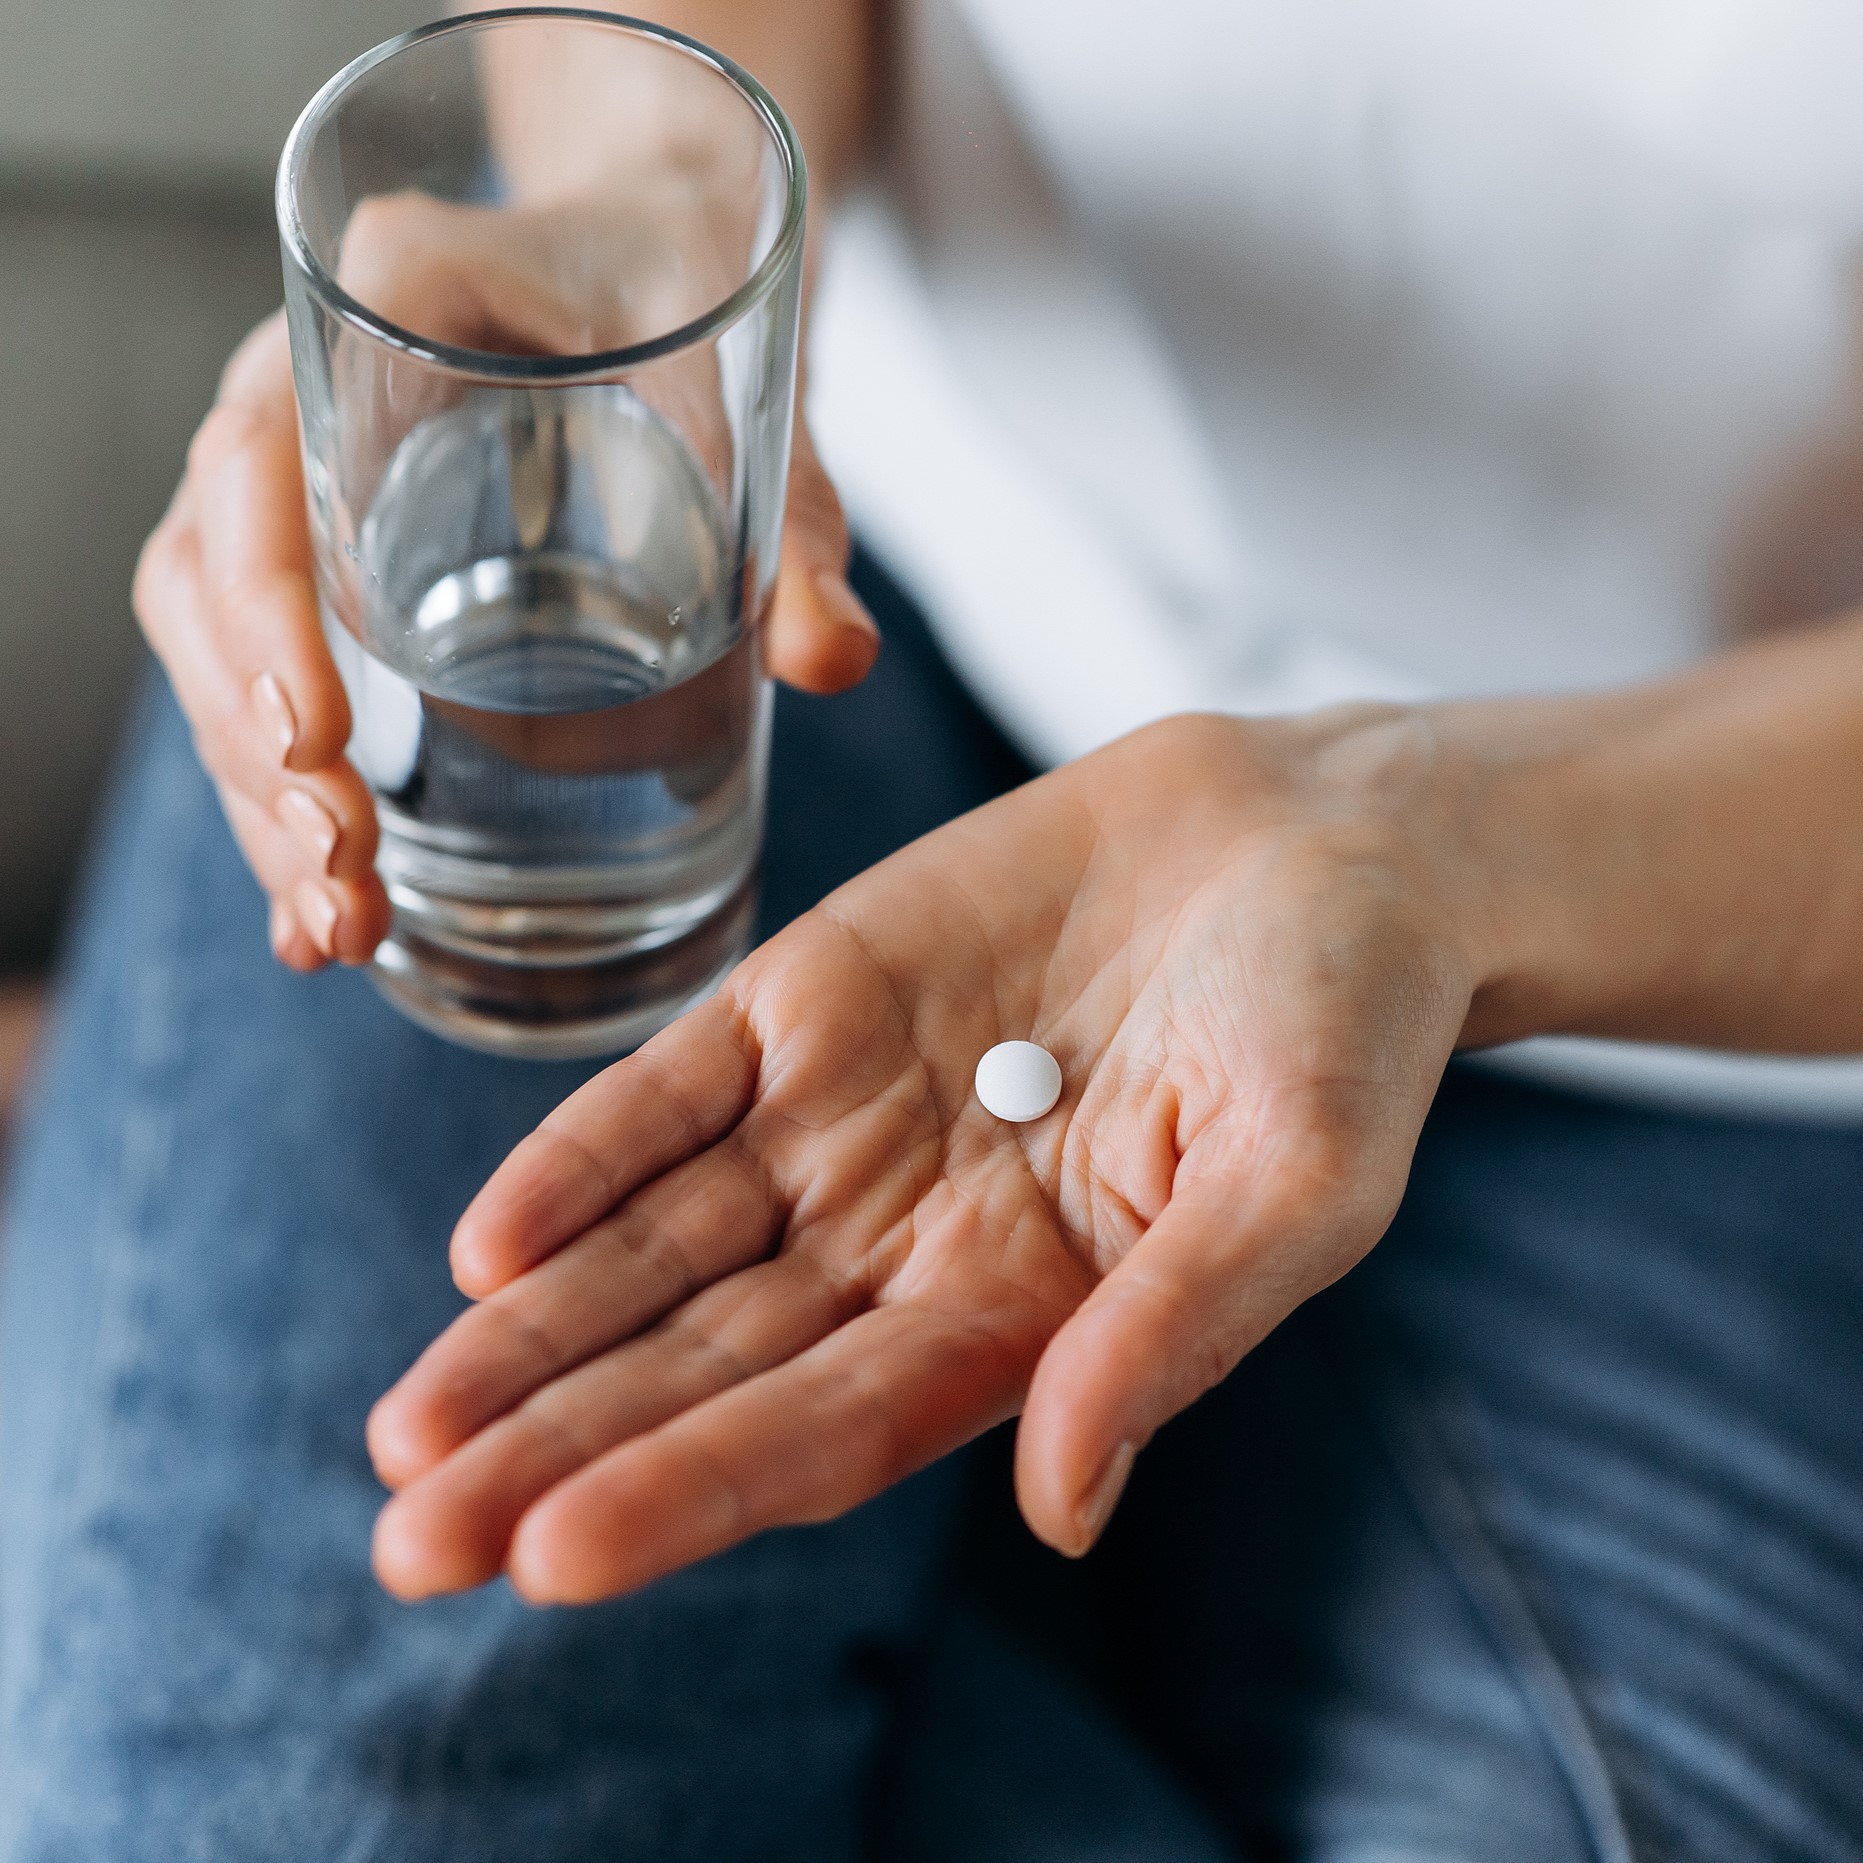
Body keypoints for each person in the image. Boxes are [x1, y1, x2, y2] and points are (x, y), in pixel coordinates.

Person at [5, 1, 1863, 1857]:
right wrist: (661, 192)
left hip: (1706, 912)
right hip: (799, 545)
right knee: (273, 1808)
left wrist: (1435, 835)